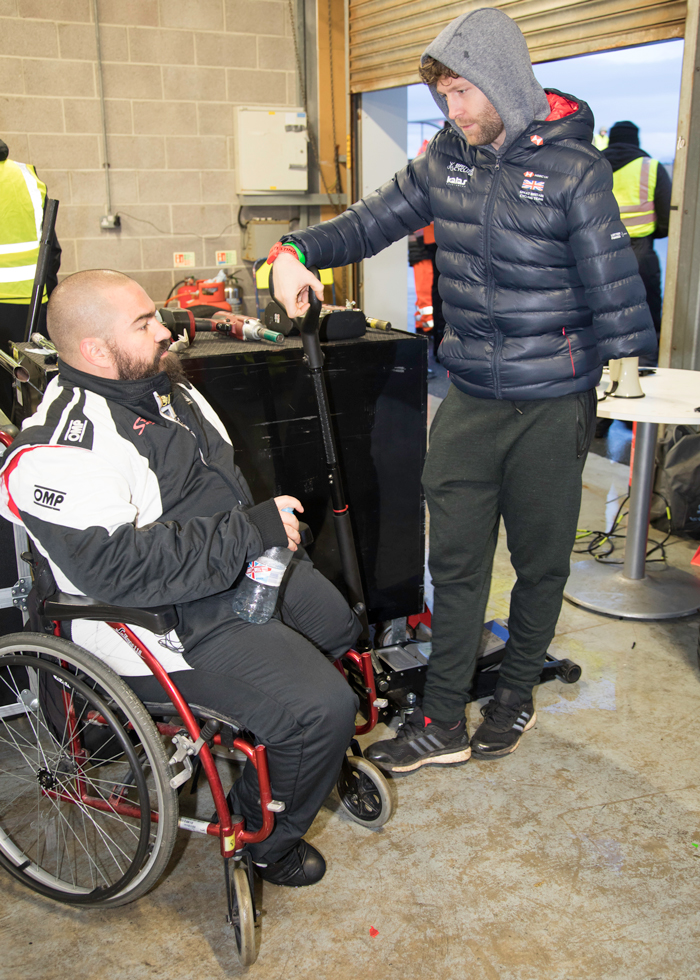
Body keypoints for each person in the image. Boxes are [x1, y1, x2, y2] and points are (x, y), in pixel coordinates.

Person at [268, 7, 657, 773]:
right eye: (443, 98)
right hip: (471, 393)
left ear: (502, 84)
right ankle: (444, 715)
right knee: (454, 560)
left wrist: (626, 368)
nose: (452, 113)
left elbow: (615, 286)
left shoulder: (577, 172)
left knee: (542, 558)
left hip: (553, 400)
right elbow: (368, 222)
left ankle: (514, 694)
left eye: (461, 96)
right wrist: (293, 250)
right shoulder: (446, 159)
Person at [0, 269, 359, 885]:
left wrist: (256, 537)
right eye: (144, 324)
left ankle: (293, 762)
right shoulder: (63, 450)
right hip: (157, 623)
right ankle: (263, 841)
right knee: (323, 708)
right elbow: (122, 572)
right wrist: (252, 532)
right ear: (94, 350)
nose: (166, 331)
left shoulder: (160, 387)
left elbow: (217, 488)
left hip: (223, 573)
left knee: (339, 626)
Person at [0, 137, 61, 415]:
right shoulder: (25, 177)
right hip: (30, 306)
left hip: (27, 303)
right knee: (35, 390)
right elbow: (51, 249)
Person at [603, 120, 672, 342]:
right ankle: (646, 364)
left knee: (604, 310)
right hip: (641, 249)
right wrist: (654, 233)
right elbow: (666, 215)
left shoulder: (594, 165)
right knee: (646, 310)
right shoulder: (650, 166)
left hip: (600, 249)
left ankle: (607, 364)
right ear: (636, 140)